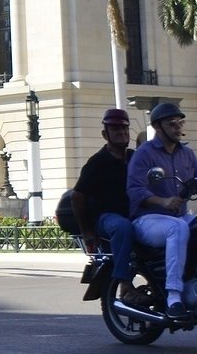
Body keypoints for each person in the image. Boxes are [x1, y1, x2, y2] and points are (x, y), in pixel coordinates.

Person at [126, 101, 197, 320]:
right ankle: (174, 296)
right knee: (177, 229)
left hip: (178, 217)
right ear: (158, 127)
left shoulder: (186, 153)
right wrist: (162, 201)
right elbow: (134, 189)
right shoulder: (145, 154)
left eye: (180, 122)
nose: (178, 127)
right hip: (147, 219)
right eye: (172, 123)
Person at [71, 108, 137, 291]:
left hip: (134, 214)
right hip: (106, 217)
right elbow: (77, 197)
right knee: (123, 227)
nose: (122, 133)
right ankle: (124, 283)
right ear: (105, 134)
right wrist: (87, 232)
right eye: (116, 129)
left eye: (125, 129)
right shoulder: (97, 162)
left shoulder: (134, 158)